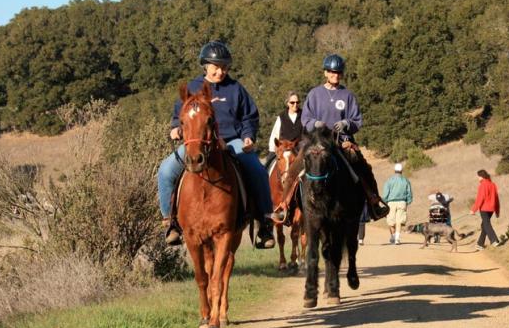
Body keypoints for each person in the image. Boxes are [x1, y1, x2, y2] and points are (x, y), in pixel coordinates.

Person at [157, 41, 275, 249]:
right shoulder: (193, 88)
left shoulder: (235, 89)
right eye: (216, 66)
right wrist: (176, 127)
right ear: (206, 66)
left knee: (258, 171)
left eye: (224, 67)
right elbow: (179, 114)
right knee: (165, 171)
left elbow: (249, 116)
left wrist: (248, 136)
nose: (221, 71)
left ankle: (264, 224)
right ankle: (171, 223)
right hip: (198, 143)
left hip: (232, 141)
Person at [276, 54, 389, 223]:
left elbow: (357, 120)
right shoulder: (315, 94)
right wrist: (316, 123)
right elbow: (305, 119)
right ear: (325, 73)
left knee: (363, 166)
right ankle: (284, 206)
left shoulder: (347, 95)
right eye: (332, 72)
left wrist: (346, 123)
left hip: (341, 142)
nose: (335, 75)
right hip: (317, 142)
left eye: (338, 72)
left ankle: (374, 202)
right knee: (294, 168)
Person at [264, 91, 303, 172]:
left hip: (298, 149)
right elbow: (275, 134)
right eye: (292, 102)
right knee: (266, 166)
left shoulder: (304, 115)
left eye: (297, 102)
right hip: (283, 148)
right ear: (287, 103)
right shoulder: (281, 117)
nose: (295, 104)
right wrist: (272, 150)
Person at [382, 163, 413, 244]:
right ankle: (397, 239)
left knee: (391, 221)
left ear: (394, 170)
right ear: (401, 170)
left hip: (391, 202)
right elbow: (409, 193)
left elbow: (385, 194)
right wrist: (408, 202)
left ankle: (393, 236)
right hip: (402, 202)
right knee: (399, 221)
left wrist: (384, 202)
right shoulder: (406, 180)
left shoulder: (389, 180)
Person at [470, 169, 501, 249]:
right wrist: (497, 211)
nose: (477, 178)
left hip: (484, 208)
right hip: (491, 209)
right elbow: (496, 199)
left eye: (478, 176)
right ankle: (480, 244)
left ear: (481, 177)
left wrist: (473, 209)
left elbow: (480, 199)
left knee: (486, 224)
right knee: (484, 224)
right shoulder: (493, 184)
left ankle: (494, 240)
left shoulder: (483, 185)